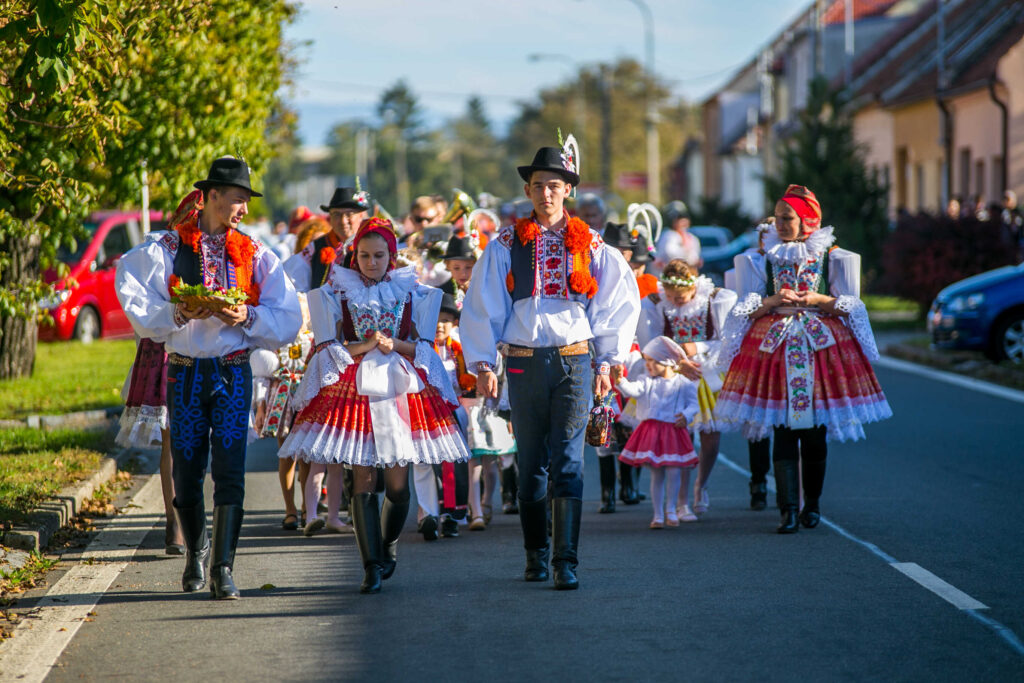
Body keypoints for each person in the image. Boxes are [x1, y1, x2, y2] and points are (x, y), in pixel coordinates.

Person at [116, 156, 302, 599]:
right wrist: (177, 311)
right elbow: (132, 289)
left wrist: (248, 315)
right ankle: (194, 552)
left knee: (230, 469)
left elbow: (288, 314)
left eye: (245, 202)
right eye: (236, 200)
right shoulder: (166, 246)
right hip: (183, 372)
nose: (242, 209)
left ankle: (223, 568)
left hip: (233, 371)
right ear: (211, 196)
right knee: (186, 472)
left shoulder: (254, 252)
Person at [461, 139, 640, 590]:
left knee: (568, 460)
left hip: (576, 359)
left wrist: (609, 359)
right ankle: (534, 554)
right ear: (527, 190)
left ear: (568, 190)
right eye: (539, 186)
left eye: (555, 186)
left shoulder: (592, 243)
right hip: (522, 361)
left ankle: (566, 560)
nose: (546, 194)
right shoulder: (505, 242)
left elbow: (618, 301)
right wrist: (482, 361)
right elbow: (484, 303)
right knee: (531, 463)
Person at [279, 217, 471, 593]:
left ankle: (388, 545)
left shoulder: (413, 291)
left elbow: (427, 349)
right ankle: (370, 567)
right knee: (363, 478)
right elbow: (323, 349)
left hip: (400, 390)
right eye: (364, 255)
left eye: (379, 255)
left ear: (391, 255)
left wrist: (395, 346)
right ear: (355, 256)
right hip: (356, 390)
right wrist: (364, 346)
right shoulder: (336, 290)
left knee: (398, 488)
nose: (371, 262)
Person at [713, 185, 892, 533]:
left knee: (813, 433)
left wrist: (816, 299)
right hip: (774, 348)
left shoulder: (832, 256)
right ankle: (788, 509)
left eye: (787, 218)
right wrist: (773, 300)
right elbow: (743, 310)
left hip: (820, 350)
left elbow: (851, 306)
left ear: (807, 220)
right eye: (778, 217)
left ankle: (812, 503)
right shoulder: (762, 257)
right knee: (782, 429)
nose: (779, 224)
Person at [649, 260, 736, 517]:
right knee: (681, 438)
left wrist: (695, 348)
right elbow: (651, 345)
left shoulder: (715, 300)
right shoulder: (657, 305)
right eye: (671, 296)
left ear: (694, 287)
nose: (676, 302)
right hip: (676, 379)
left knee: (710, 440)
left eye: (682, 297)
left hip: (707, 375)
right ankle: (681, 501)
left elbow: (728, 342)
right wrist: (677, 361)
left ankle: (702, 485)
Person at [614, 336, 699, 528]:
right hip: (652, 432)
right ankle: (658, 514)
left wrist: (686, 415)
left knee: (674, 471)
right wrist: (620, 380)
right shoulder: (646, 381)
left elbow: (693, 404)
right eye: (647, 360)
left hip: (673, 432)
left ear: (667, 362)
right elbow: (631, 390)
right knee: (657, 474)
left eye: (653, 361)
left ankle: (671, 509)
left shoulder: (684, 383)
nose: (648, 365)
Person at [116, 334, 183, 554]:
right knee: (172, 438)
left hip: (202, 343)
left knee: (194, 439)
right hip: (165, 344)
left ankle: (188, 517)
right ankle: (174, 521)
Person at [654, 200, 700, 274]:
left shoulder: (692, 238)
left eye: (685, 222)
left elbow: (694, 256)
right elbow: (670, 252)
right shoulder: (669, 235)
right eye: (680, 222)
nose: (683, 225)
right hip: (670, 272)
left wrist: (693, 261)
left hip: (687, 271)